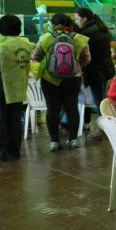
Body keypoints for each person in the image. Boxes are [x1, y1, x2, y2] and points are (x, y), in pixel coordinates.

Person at [31, 13, 92, 151]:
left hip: (49, 78)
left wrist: (51, 62)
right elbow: (86, 60)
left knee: (52, 110)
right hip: (73, 78)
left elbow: (36, 56)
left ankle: (54, 141)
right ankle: (73, 140)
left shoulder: (45, 37)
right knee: (71, 108)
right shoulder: (79, 38)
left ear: (53, 24)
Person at [0, 15, 35, 162]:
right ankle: (14, 151)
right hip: (18, 86)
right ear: (18, 28)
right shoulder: (26, 44)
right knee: (15, 120)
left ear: (0, 29)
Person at [75, 7, 114, 140]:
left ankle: (104, 129)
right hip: (105, 69)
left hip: (96, 70)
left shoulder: (87, 33)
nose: (76, 22)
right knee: (101, 99)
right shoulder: (99, 28)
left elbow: (84, 55)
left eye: (77, 18)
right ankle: (107, 127)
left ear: (85, 18)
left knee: (99, 101)